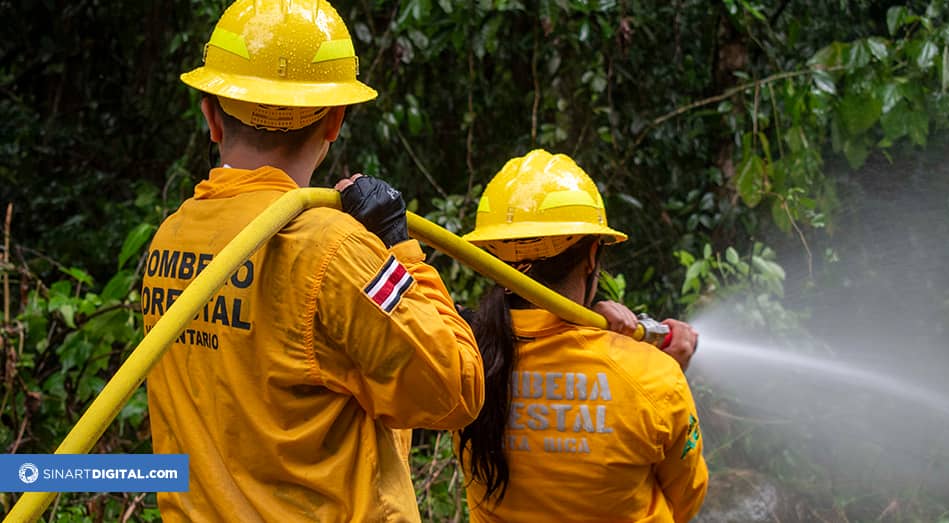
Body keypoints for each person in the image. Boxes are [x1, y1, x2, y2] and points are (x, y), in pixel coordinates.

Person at [140, 1, 484, 520]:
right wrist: (398, 246)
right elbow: (456, 390)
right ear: (335, 121)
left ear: (211, 114)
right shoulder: (336, 249)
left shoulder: (171, 239)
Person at [456, 149, 708, 522]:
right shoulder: (654, 377)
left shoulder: (462, 355)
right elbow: (687, 500)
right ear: (592, 256)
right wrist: (660, 368)